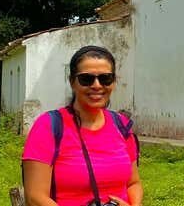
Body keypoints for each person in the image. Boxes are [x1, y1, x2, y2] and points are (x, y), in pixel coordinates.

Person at [22, 46, 143, 206]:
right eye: (86, 79)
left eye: (105, 78)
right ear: (72, 82)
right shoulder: (48, 126)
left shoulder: (122, 125)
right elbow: (35, 197)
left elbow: (133, 183)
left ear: (114, 82)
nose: (97, 85)